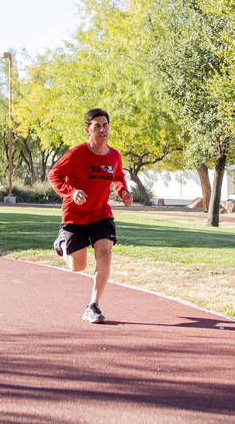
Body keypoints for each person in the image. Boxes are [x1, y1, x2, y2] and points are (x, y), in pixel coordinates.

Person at [47, 108, 132, 324]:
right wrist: (72, 192)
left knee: (104, 253)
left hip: (100, 213)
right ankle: (62, 244)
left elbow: (118, 176)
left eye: (105, 125)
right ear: (88, 130)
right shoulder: (75, 154)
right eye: (97, 126)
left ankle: (93, 305)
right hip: (74, 215)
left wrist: (123, 191)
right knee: (78, 266)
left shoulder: (114, 155)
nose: (102, 129)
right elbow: (54, 175)